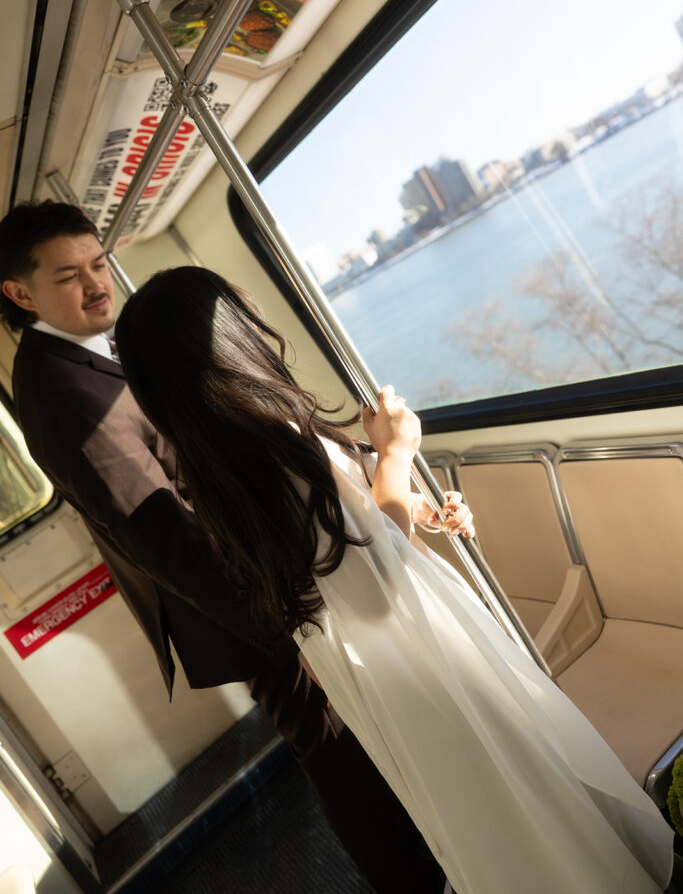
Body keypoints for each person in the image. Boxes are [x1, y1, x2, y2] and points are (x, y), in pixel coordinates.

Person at [113, 264, 676, 894]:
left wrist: (415, 504)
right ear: (228, 344)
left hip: (385, 663)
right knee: (510, 779)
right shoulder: (273, 448)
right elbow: (374, 586)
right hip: (410, 649)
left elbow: (347, 547)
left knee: (494, 792)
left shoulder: (222, 465)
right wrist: (397, 455)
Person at [0, 200, 453, 894]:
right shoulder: (60, 393)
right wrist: (287, 619)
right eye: (69, 276)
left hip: (266, 577)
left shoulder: (91, 350)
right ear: (19, 293)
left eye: (98, 264)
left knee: (357, 745)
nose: (96, 285)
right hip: (249, 605)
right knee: (337, 752)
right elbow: (160, 536)